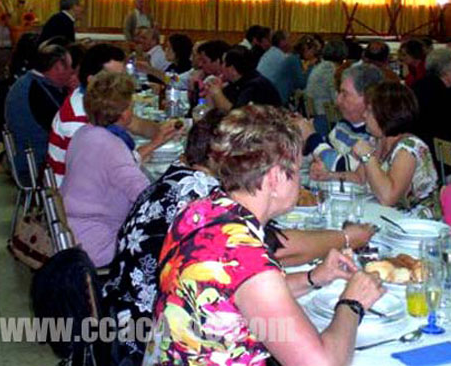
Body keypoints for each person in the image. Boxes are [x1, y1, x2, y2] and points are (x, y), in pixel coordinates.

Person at [102, 109, 375, 365]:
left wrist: (313, 277)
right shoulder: (244, 255)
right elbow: (322, 362)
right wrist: (353, 302)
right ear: (275, 178)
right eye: (295, 171)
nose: (299, 182)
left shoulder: (201, 211)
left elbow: (239, 298)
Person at [62, 71, 175, 268]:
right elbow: (146, 198)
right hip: (98, 242)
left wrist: (152, 145)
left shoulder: (85, 133)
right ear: (124, 114)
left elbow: (111, 168)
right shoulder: (111, 146)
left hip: (74, 230)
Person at [47, 43, 179, 186]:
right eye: (114, 79)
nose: (122, 84)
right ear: (92, 80)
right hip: (79, 191)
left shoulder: (97, 101)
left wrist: (164, 130)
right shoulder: (78, 119)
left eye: (123, 76)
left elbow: (135, 123)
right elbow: (109, 171)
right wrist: (153, 144)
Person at [351, 82, 439, 216]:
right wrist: (328, 175)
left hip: (416, 223)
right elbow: (359, 178)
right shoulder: (378, 140)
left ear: (386, 115)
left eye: (369, 111)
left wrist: (368, 156)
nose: (364, 115)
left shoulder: (409, 148)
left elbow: (388, 197)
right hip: (390, 217)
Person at [5, 42, 73, 184]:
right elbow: (66, 130)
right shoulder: (39, 91)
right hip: (36, 166)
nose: (72, 73)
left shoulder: (29, 82)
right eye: (70, 68)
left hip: (27, 158)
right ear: (58, 67)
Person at [307, 63, 383, 177]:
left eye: (345, 94)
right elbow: (321, 155)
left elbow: (341, 166)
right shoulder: (343, 125)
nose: (338, 101)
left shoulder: (375, 134)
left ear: (367, 98)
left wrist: (310, 136)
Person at [206, 45, 281, 111]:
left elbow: (236, 115)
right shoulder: (235, 82)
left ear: (232, 69)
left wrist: (217, 93)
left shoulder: (255, 86)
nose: (221, 67)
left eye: (223, 63)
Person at [411, 48, 451, 146]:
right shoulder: (448, 98)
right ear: (447, 73)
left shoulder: (416, 86)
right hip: (436, 147)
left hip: (414, 142)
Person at [306, 40, 348, 135]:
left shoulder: (319, 66)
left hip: (316, 114)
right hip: (324, 117)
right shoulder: (330, 70)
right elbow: (336, 99)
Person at [258, 30, 307, 105]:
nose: (292, 42)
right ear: (282, 42)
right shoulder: (282, 58)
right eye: (289, 39)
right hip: (270, 99)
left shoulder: (271, 53)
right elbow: (300, 83)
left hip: (262, 95)